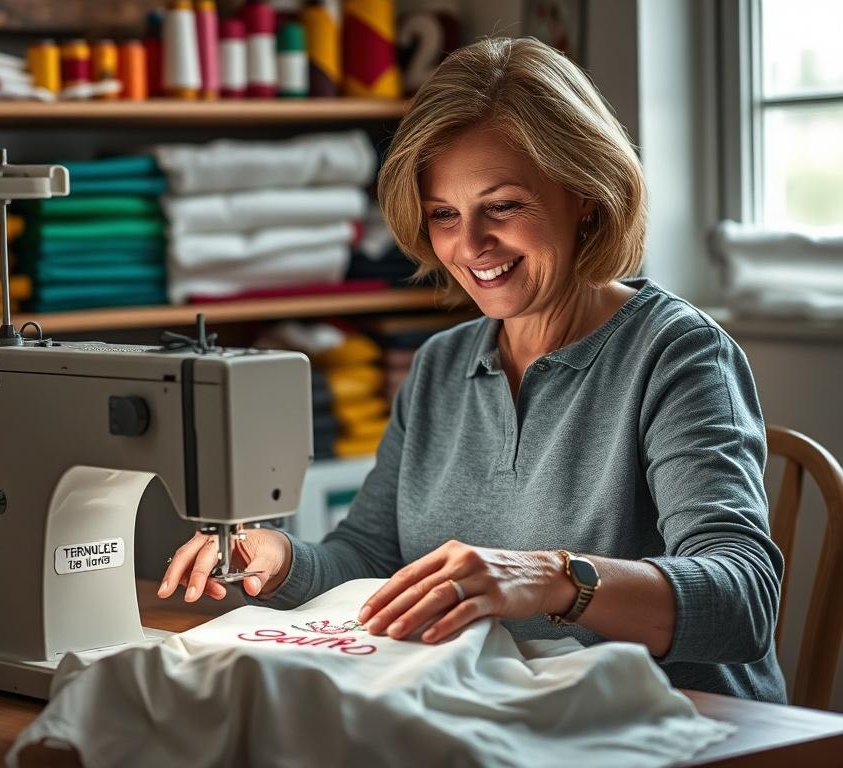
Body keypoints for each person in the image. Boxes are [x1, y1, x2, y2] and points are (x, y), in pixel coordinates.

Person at [158, 36, 787, 703]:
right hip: (507, 710)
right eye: (443, 215)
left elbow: (743, 600)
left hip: (686, 724)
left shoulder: (678, 354)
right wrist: (281, 560)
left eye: (504, 206)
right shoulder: (441, 364)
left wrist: (553, 579)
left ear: (585, 192)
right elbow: (370, 558)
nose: (470, 245)